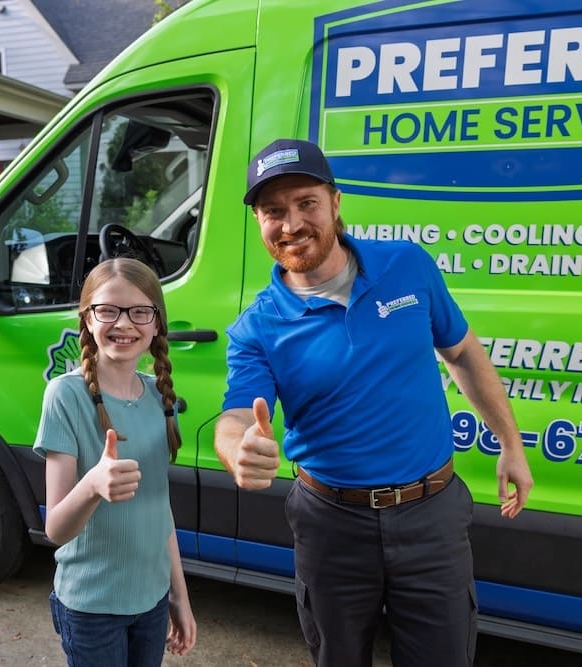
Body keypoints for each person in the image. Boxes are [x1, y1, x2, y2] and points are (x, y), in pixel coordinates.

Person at [214, 139, 534, 667]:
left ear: (335, 202)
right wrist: (236, 450)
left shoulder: (406, 265)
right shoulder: (257, 327)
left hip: (431, 515)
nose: (291, 224)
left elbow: (462, 352)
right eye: (273, 211)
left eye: (306, 203)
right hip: (331, 526)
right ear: (258, 221)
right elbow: (236, 416)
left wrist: (511, 443)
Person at [34, 257, 196, 666]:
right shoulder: (65, 396)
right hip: (92, 607)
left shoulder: (161, 398)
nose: (124, 323)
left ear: (157, 323)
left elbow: (160, 510)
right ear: (87, 319)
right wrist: (92, 486)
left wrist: (179, 595)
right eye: (108, 310)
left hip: (152, 600)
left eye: (140, 312)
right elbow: (56, 529)